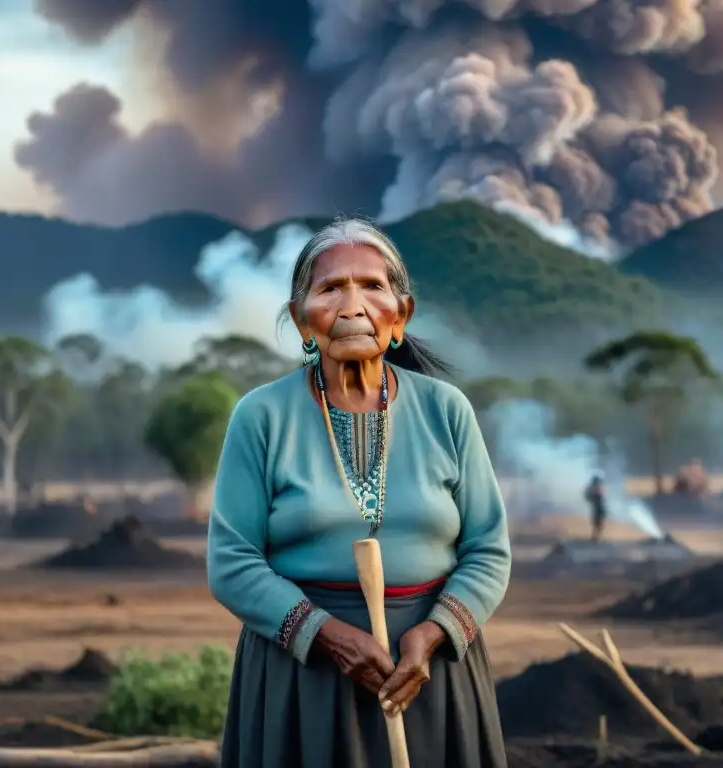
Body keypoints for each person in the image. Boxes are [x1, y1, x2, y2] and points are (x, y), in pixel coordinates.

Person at [206, 216, 512, 768]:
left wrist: (434, 634)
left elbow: (488, 549)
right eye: (330, 289)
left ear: (402, 315)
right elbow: (232, 562)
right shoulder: (261, 416)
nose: (352, 306)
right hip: (302, 679)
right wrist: (325, 635)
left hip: (431, 672)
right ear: (302, 322)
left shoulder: (446, 410)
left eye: (372, 286)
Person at [585, 473, 607, 541]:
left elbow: (603, 497)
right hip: (596, 506)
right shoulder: (591, 489)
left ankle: (596, 536)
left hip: (599, 506)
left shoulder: (598, 488)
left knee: (599, 522)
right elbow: (588, 496)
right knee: (596, 522)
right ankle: (595, 536)